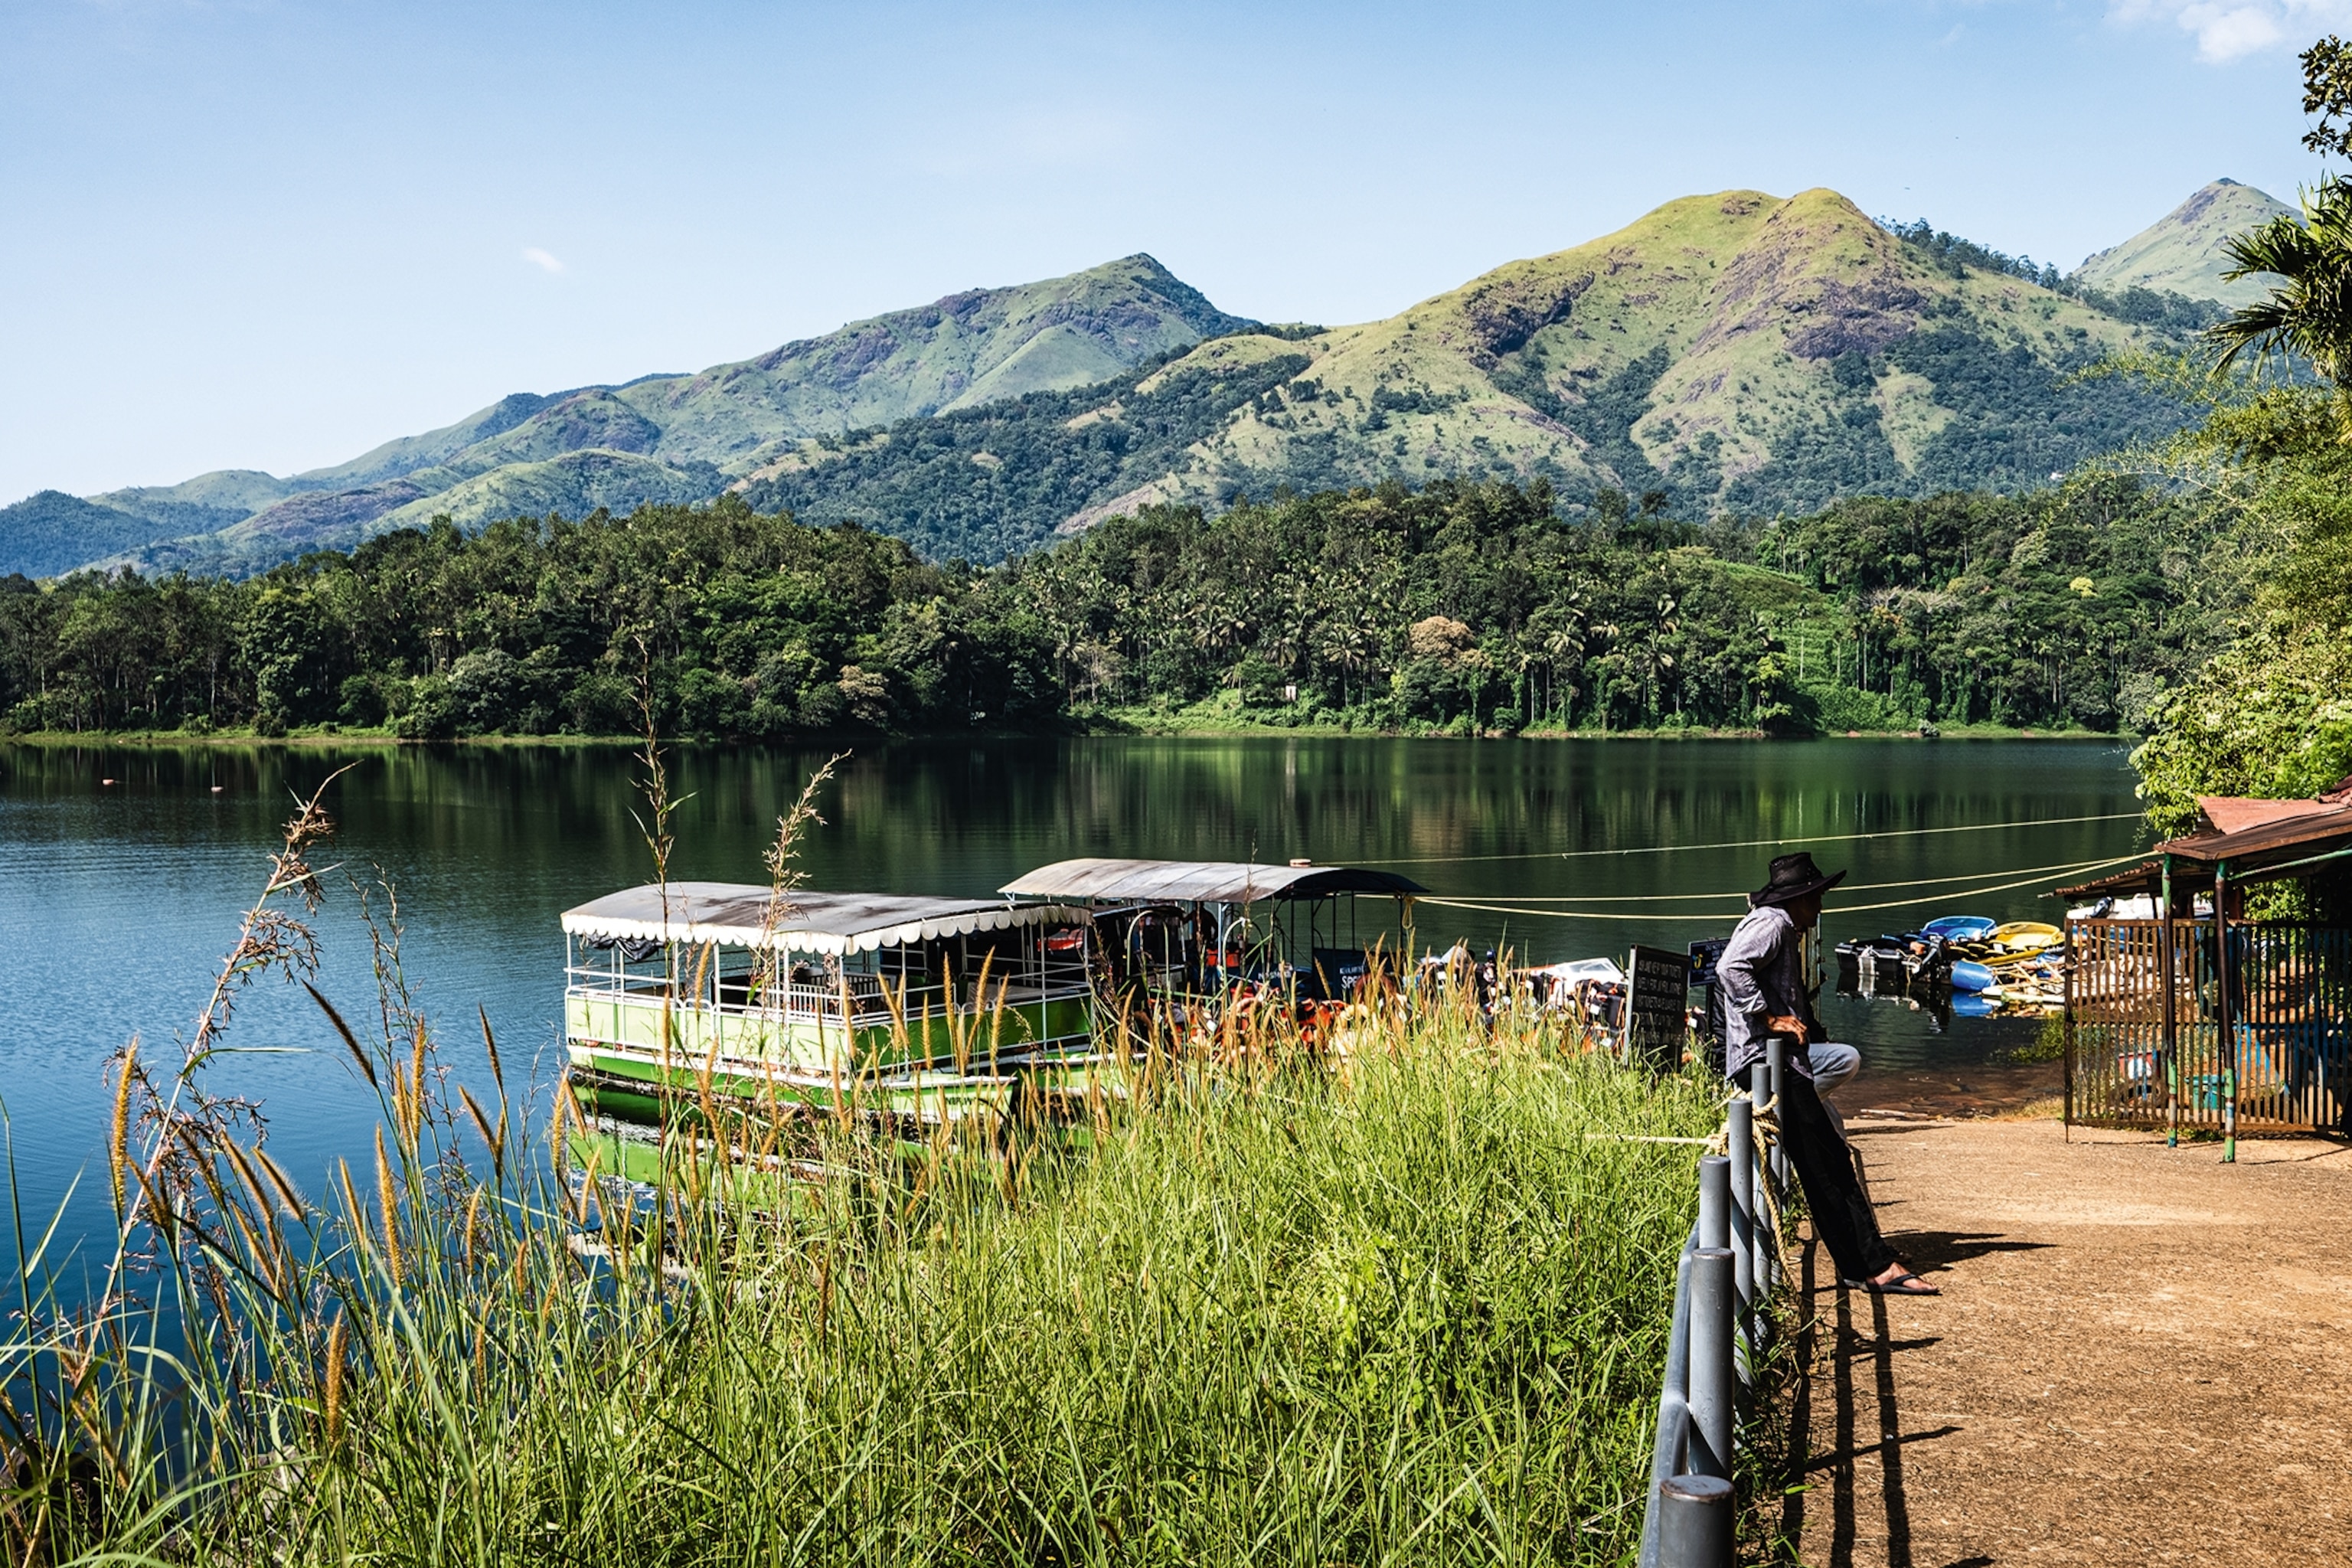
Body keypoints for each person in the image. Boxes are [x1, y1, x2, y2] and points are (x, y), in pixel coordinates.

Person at [1717, 851, 1939, 1296]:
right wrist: (1769, 1019)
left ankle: (1865, 1262)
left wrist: (1799, 1022)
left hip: (1775, 1060)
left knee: (1829, 1161)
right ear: (1798, 898)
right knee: (1827, 1167)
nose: (1819, 907)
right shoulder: (1774, 923)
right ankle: (1872, 1267)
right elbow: (1730, 968)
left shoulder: (1775, 923)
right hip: (1767, 1061)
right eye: (1816, 897)